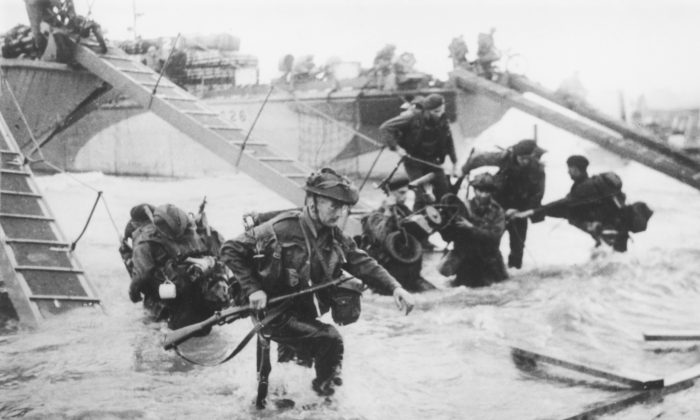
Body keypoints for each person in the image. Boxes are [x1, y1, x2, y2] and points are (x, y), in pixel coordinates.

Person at [220, 168, 415, 397]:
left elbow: (360, 261)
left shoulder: (332, 234)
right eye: (333, 205)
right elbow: (230, 249)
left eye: (343, 207)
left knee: (294, 372)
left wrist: (395, 287)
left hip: (300, 313)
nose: (339, 213)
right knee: (330, 340)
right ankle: (326, 400)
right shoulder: (282, 228)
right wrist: (254, 290)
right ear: (312, 202)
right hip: (274, 313)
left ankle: (288, 404)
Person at [128, 204, 230, 328]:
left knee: (148, 327)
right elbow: (225, 256)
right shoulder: (202, 231)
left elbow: (142, 276)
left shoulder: (145, 241)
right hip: (207, 301)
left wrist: (134, 294)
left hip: (173, 306)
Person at [512, 155, 631, 252]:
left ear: (575, 169)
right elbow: (566, 209)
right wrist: (537, 211)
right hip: (614, 227)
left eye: (569, 168)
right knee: (611, 259)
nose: (568, 172)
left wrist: (532, 211)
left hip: (610, 229)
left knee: (613, 258)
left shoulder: (585, 187)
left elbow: (563, 204)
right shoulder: (587, 184)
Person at [462, 139, 546, 269]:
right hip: (498, 207)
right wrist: (464, 170)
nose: (524, 162)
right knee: (490, 242)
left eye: (527, 159)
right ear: (516, 155)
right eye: (521, 158)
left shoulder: (538, 169)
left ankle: (514, 272)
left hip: (520, 210)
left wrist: (521, 212)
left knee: (517, 247)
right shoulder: (503, 158)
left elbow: (537, 195)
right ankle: (488, 272)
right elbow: (478, 158)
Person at [379, 93, 458, 212]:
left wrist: (455, 163)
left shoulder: (443, 120)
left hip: (433, 161)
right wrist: (397, 148)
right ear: (427, 111)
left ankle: (444, 222)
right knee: (421, 195)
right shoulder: (412, 117)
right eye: (436, 111)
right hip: (414, 160)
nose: (440, 114)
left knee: (444, 192)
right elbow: (385, 128)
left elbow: (449, 142)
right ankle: (417, 222)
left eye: (442, 110)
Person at [358, 175, 436, 294]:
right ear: (390, 193)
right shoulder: (375, 216)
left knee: (433, 293)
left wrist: (429, 205)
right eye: (401, 193)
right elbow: (381, 235)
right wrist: (388, 212)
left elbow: (421, 232)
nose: (404, 197)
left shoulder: (405, 211)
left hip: (410, 275)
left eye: (406, 193)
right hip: (388, 278)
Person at [437, 173, 508, 287]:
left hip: (489, 259)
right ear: (474, 190)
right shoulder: (463, 207)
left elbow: (494, 237)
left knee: (497, 288)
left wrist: (471, 228)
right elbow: (449, 236)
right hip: (467, 259)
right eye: (480, 190)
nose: (483, 195)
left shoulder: (498, 211)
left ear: (491, 192)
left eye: (487, 191)